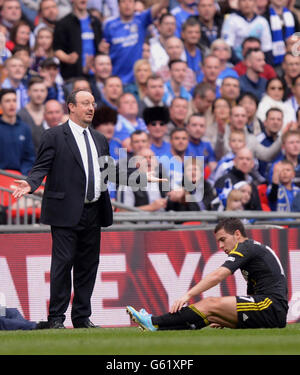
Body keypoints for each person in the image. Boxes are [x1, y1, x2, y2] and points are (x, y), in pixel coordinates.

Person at [11, 89, 166, 329]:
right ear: (71, 107)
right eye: (85, 103)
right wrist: (30, 184)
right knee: (62, 265)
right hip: (65, 212)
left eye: (93, 103)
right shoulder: (53, 136)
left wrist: (140, 178)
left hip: (93, 211)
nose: (91, 108)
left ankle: (82, 318)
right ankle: (56, 319)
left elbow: (110, 171)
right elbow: (41, 166)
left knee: (88, 267)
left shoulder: (99, 139)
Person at [127, 217, 288, 331]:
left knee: (210, 303)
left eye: (223, 239)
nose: (220, 245)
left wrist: (187, 295)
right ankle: (157, 328)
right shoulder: (253, 249)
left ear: (237, 235)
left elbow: (218, 275)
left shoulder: (246, 247)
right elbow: (255, 289)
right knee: (212, 315)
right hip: (270, 307)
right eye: (218, 241)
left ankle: (153, 321)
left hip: (270, 306)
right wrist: (233, 313)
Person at [102, 0, 169, 84]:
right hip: (116, 77)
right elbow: (104, 49)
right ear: (118, 5)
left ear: (134, 4)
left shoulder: (141, 19)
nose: (127, 5)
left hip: (137, 79)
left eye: (130, 1)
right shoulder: (109, 25)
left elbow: (162, 4)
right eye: (123, 2)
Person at [53, 0, 103, 80]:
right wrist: (67, 58)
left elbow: (100, 46)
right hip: (73, 76)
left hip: (94, 75)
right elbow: (57, 49)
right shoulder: (63, 23)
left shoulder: (95, 21)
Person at [0, 88, 35, 175]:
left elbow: (30, 156)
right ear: (1, 105)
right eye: (7, 101)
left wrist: (23, 173)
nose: (12, 104)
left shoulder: (25, 128)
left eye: (14, 100)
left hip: (20, 177)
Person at [17, 76, 48, 152]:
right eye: (35, 90)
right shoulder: (20, 115)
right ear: (28, 92)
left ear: (46, 93)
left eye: (42, 90)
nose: (39, 94)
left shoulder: (51, 113)